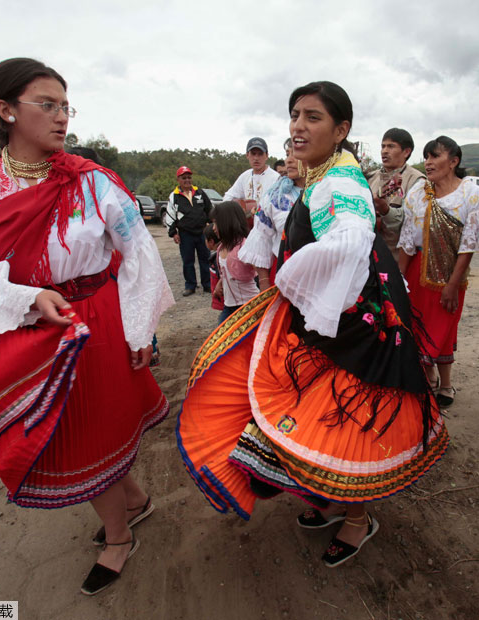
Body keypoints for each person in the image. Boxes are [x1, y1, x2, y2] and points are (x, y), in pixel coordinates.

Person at [176, 81, 447, 567]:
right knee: (311, 411)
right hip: (327, 313)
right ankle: (328, 499)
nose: (298, 126)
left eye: (313, 117)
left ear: (342, 130)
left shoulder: (341, 183)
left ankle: (358, 518)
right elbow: (272, 233)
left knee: (347, 418)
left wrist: (292, 280)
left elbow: (349, 236)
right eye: (295, 115)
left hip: (354, 324)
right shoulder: (306, 176)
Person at [0, 57, 174, 596]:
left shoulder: (93, 180)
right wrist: (27, 295)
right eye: (46, 105)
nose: (61, 117)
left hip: (94, 320)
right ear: (5, 110)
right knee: (57, 433)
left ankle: (118, 536)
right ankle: (134, 503)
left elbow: (138, 251)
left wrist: (139, 328)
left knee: (95, 427)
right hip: (25, 323)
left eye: (65, 106)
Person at [397, 136, 479, 407]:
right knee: (417, 326)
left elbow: (468, 245)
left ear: (453, 161)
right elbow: (406, 240)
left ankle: (445, 383)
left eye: (435, 156)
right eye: (426, 157)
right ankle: (429, 379)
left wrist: (452, 283)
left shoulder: (471, 195)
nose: (428, 162)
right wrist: (398, 279)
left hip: (450, 275)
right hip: (417, 273)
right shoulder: (417, 193)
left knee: (444, 328)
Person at [239, 138, 304, 288]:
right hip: (283, 277)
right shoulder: (275, 196)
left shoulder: (327, 192)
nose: (289, 160)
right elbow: (261, 238)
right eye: (288, 154)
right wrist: (264, 282)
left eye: (296, 154)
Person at [367, 128, 426, 261]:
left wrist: (385, 210)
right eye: (383, 146)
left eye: (391, 146)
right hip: (368, 256)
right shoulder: (370, 177)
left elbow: (412, 226)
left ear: (406, 152)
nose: (384, 151)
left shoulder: (417, 181)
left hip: (396, 259)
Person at [165, 166, 213, 296]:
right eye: (184, 178)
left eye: (189, 177)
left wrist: (212, 227)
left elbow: (209, 210)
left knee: (206, 259)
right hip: (185, 235)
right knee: (188, 261)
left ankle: (208, 285)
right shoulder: (174, 196)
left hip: (202, 233)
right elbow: (170, 216)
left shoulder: (200, 193)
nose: (187, 180)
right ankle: (190, 285)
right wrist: (173, 233)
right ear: (178, 179)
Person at [211, 201, 258, 322]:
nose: (214, 228)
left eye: (216, 223)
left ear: (227, 222)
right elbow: (227, 272)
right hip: (229, 306)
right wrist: (220, 283)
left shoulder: (245, 245)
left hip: (248, 306)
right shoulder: (221, 247)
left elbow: (261, 272)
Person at [223, 137, 280, 218]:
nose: (256, 158)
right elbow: (227, 197)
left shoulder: (276, 178)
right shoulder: (244, 176)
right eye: (253, 154)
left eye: (260, 154)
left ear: (267, 156)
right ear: (247, 155)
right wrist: (238, 210)